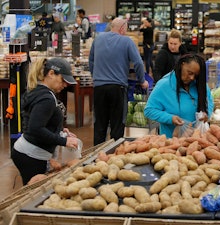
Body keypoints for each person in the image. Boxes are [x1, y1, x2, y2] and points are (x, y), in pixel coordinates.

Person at [11, 57, 80, 185]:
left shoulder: (39, 90)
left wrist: (58, 129)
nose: (65, 85)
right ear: (51, 74)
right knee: (33, 192)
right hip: (31, 155)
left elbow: (39, 119)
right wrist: (64, 141)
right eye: (63, 80)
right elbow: (35, 128)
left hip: (27, 151)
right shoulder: (46, 99)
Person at [89, 18, 148, 145]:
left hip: (99, 88)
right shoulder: (127, 41)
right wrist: (142, 80)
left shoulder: (98, 39)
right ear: (122, 28)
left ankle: (96, 159)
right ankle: (114, 156)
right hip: (117, 88)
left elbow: (91, 61)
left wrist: (96, 76)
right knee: (117, 125)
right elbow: (138, 62)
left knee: (99, 125)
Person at [144, 54, 214, 138]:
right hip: (171, 142)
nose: (192, 78)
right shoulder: (164, 85)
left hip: (197, 140)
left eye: (195, 75)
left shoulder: (199, 85)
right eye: (190, 73)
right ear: (182, 64)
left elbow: (209, 101)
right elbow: (149, 110)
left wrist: (207, 113)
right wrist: (170, 118)